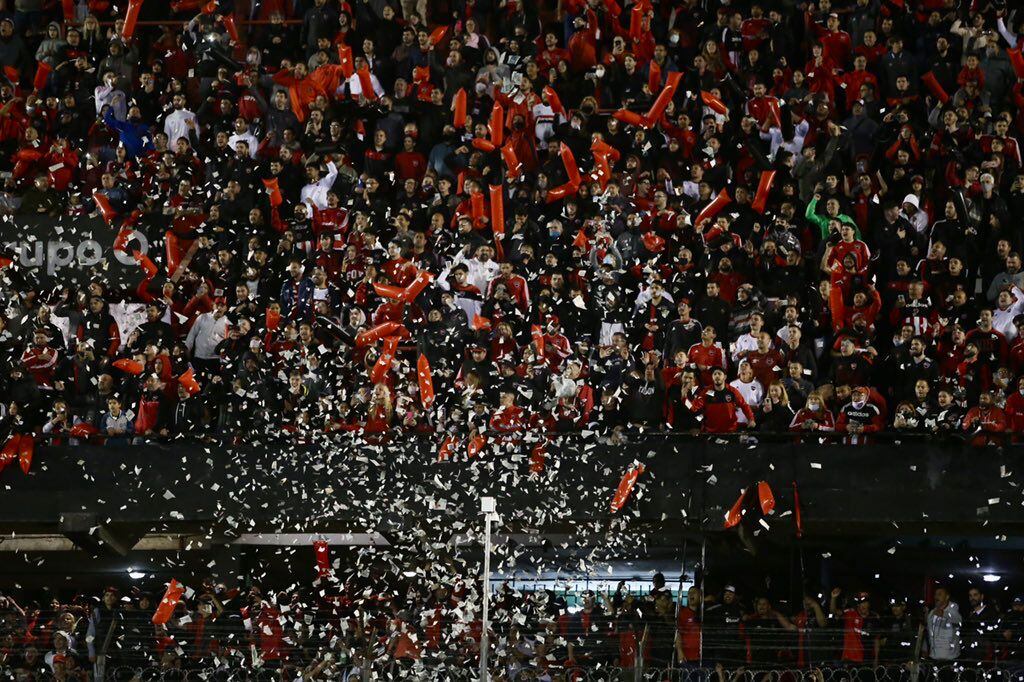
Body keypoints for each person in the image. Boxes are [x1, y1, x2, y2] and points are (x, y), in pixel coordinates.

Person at [927, 586, 962, 662]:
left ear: (947, 597)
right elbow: (929, 632)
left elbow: (958, 620)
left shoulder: (954, 609)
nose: (936, 597)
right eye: (935, 595)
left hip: (950, 658)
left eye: (939, 594)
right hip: (934, 657)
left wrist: (943, 613)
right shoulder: (932, 613)